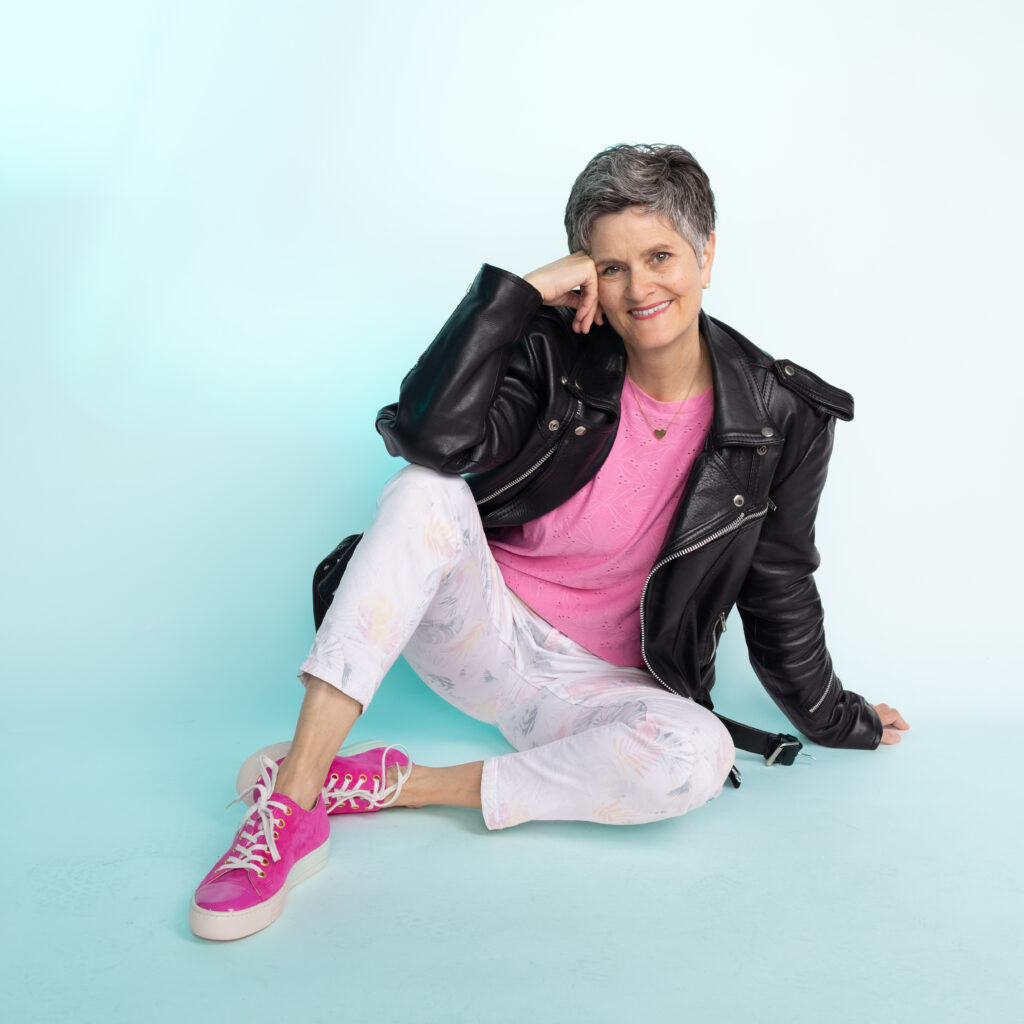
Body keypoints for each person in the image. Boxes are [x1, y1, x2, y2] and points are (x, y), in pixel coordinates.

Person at [189, 143, 909, 941]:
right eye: (612, 267)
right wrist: (520, 299)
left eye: (660, 256)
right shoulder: (552, 348)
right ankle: (293, 801)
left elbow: (779, 585)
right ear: (585, 275)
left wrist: (839, 717)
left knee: (697, 757)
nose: (640, 289)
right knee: (427, 488)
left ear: (706, 254)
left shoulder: (782, 416)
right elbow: (430, 438)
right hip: (483, 634)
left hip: (601, 688)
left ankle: (395, 785)